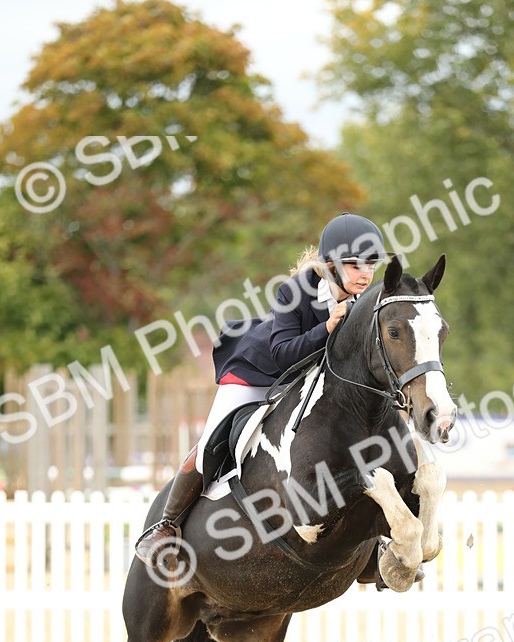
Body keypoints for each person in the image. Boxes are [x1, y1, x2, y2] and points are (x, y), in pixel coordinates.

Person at [134, 213, 387, 566]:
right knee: (214, 439)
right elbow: (283, 354)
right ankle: (166, 526)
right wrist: (326, 329)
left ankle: (373, 544)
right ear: (330, 264)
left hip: (305, 382)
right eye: (355, 263)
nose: (365, 273)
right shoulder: (295, 291)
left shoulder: (365, 305)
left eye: (371, 264)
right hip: (258, 373)